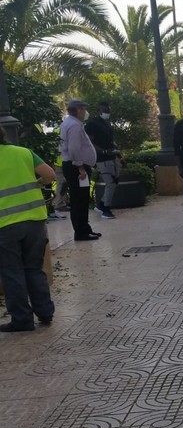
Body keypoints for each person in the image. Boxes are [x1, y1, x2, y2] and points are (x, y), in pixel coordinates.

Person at [0, 130, 57, 332]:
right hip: (35, 220)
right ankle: (45, 311)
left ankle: (22, 319)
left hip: (5, 225)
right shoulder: (24, 152)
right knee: (34, 267)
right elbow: (50, 175)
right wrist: (36, 184)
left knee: (11, 272)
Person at [58, 99, 100, 241]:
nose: (85, 112)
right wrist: (80, 167)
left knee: (81, 199)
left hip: (75, 165)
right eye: (83, 109)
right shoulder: (74, 125)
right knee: (79, 200)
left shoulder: (70, 123)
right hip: (76, 167)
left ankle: (85, 228)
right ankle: (81, 232)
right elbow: (74, 148)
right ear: (77, 110)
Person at [85, 101, 122, 219]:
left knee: (114, 181)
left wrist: (119, 155)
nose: (107, 113)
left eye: (108, 111)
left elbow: (111, 141)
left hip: (112, 156)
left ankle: (101, 204)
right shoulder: (92, 124)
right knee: (110, 182)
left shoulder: (106, 124)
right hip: (102, 158)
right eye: (104, 111)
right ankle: (106, 208)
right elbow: (90, 142)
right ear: (98, 111)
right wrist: (103, 151)